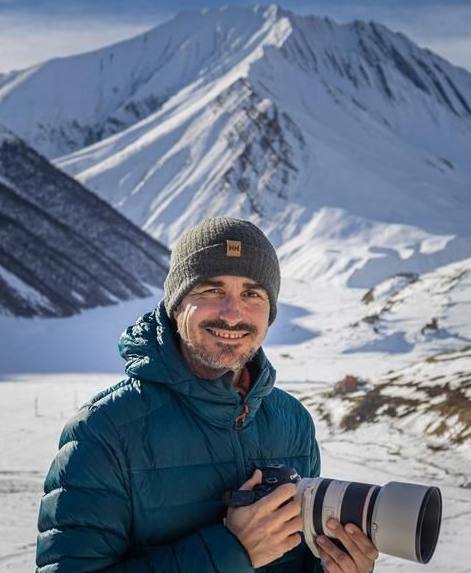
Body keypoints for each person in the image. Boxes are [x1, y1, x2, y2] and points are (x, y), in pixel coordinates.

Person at [36, 217, 379, 572]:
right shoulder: (104, 430)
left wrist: (334, 568)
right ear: (177, 305)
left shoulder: (292, 421)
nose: (233, 315)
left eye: (252, 294)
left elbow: (298, 560)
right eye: (212, 290)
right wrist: (231, 553)